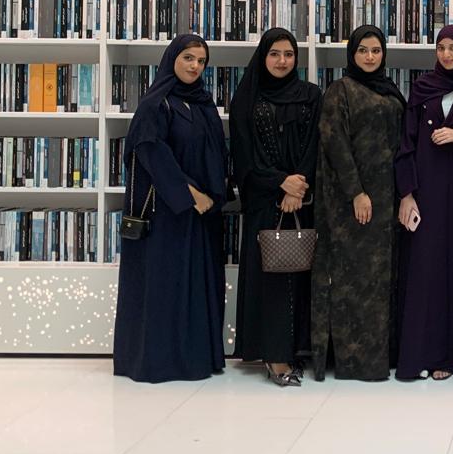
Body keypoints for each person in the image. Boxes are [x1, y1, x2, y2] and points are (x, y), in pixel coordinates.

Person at [113, 33, 229, 383]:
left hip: (201, 215)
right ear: (172, 59)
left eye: (202, 61)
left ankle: (196, 358)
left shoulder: (203, 103)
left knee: (195, 285)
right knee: (166, 286)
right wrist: (191, 194)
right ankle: (160, 362)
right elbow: (151, 153)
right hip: (168, 214)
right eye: (188, 58)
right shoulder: (155, 104)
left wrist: (213, 195)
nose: (195, 66)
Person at [311, 24, 407, 381]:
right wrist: (356, 192)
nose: (369, 57)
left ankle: (383, 357)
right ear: (352, 53)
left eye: (376, 50)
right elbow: (335, 144)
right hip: (352, 203)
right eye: (363, 50)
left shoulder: (390, 90)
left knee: (383, 282)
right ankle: (353, 362)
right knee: (353, 281)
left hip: (387, 201)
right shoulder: (340, 90)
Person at [395, 24, 453, 380]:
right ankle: (419, 352)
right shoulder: (422, 88)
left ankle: (449, 358)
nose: (447, 54)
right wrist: (407, 193)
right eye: (441, 48)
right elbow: (405, 144)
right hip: (427, 191)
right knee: (424, 269)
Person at [231, 28, 322, 387]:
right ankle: (274, 355)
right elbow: (243, 154)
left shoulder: (311, 95)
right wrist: (280, 182)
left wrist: (298, 185)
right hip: (264, 199)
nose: (282, 61)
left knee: (301, 277)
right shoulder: (247, 98)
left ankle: (297, 349)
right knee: (269, 278)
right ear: (263, 56)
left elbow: (315, 143)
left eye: (288, 54)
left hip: (302, 199)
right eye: (274, 54)